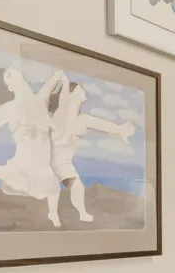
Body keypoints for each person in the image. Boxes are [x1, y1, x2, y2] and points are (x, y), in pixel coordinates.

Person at [0, 66, 67, 227]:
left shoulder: (38, 100)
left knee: (53, 187)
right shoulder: (9, 108)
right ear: (9, 87)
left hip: (42, 158)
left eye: (15, 74)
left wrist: (58, 77)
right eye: (10, 77)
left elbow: (50, 85)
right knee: (29, 181)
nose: (16, 78)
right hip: (26, 156)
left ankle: (52, 213)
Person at [49, 79, 137, 222]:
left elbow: (100, 124)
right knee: (73, 187)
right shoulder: (60, 116)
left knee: (77, 187)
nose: (84, 91)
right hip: (53, 160)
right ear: (71, 94)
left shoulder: (82, 119)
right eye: (80, 89)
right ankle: (77, 214)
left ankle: (81, 213)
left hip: (63, 162)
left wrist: (120, 130)